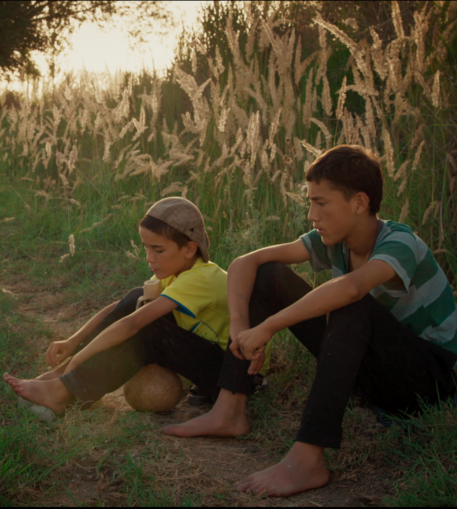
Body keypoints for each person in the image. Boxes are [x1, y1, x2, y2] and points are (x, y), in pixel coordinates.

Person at [163, 144, 457, 497]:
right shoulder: (334, 242)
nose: (312, 215)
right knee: (269, 273)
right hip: (375, 374)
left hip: (432, 381)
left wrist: (269, 327)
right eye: (310, 203)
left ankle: (308, 460)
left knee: (353, 303)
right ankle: (229, 408)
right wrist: (242, 330)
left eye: (321, 203)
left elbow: (351, 289)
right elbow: (245, 262)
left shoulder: (401, 242)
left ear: (360, 203)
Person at [3, 197, 270, 415]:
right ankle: (65, 389)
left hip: (232, 378)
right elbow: (123, 307)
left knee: (147, 331)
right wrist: (74, 341)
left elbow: (132, 324)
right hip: (208, 364)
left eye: (158, 250)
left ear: (189, 249)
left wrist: (69, 365)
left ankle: (63, 388)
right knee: (136, 297)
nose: (149, 258)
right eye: (146, 248)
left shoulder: (202, 277)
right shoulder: (177, 272)